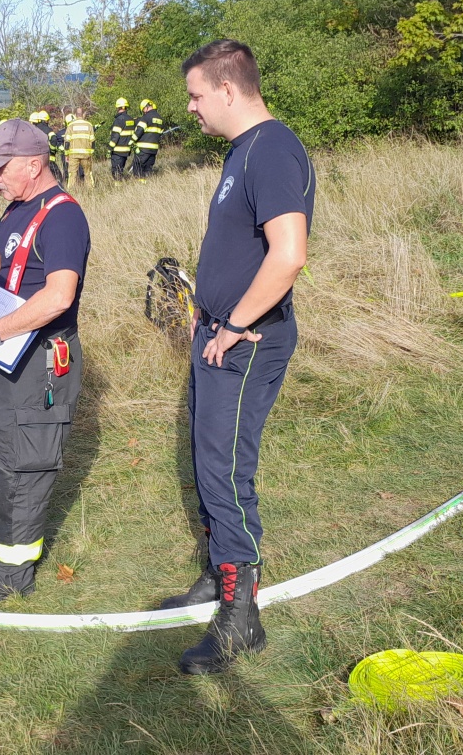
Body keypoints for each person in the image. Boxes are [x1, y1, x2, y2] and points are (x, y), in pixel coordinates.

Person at [157, 40, 314, 675]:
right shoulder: (241, 151)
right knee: (207, 459)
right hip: (218, 332)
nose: (191, 108)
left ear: (228, 89)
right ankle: (217, 574)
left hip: (246, 341)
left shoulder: (272, 148)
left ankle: (241, 617)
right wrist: (208, 313)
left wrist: (235, 323)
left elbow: (289, 253)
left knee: (225, 470)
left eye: (196, 95)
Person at [0, 119, 91, 604]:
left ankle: (10, 575)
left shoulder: (63, 217)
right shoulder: (14, 209)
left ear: (33, 165)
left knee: (19, 466)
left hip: (35, 362)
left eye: (0, 169)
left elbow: (59, 296)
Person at [131, 98, 165, 180]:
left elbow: (139, 131)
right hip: (153, 150)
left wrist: (131, 141)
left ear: (145, 107)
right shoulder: (160, 119)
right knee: (148, 169)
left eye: (143, 110)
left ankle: (140, 185)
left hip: (143, 149)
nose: (144, 112)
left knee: (138, 168)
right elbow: (161, 133)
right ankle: (146, 185)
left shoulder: (145, 118)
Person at [64, 113, 95, 190]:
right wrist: (91, 153)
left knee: (72, 174)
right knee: (88, 173)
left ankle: (70, 190)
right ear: (83, 115)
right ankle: (91, 189)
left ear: (76, 115)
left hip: (73, 155)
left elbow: (67, 142)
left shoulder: (70, 126)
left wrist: (66, 154)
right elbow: (93, 141)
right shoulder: (89, 125)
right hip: (86, 155)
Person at [108, 98, 136, 184]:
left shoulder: (118, 120)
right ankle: (120, 184)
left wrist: (109, 149)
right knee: (121, 169)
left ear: (118, 108)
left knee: (116, 171)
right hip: (126, 150)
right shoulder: (131, 119)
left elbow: (115, 136)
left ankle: (118, 187)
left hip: (117, 150)